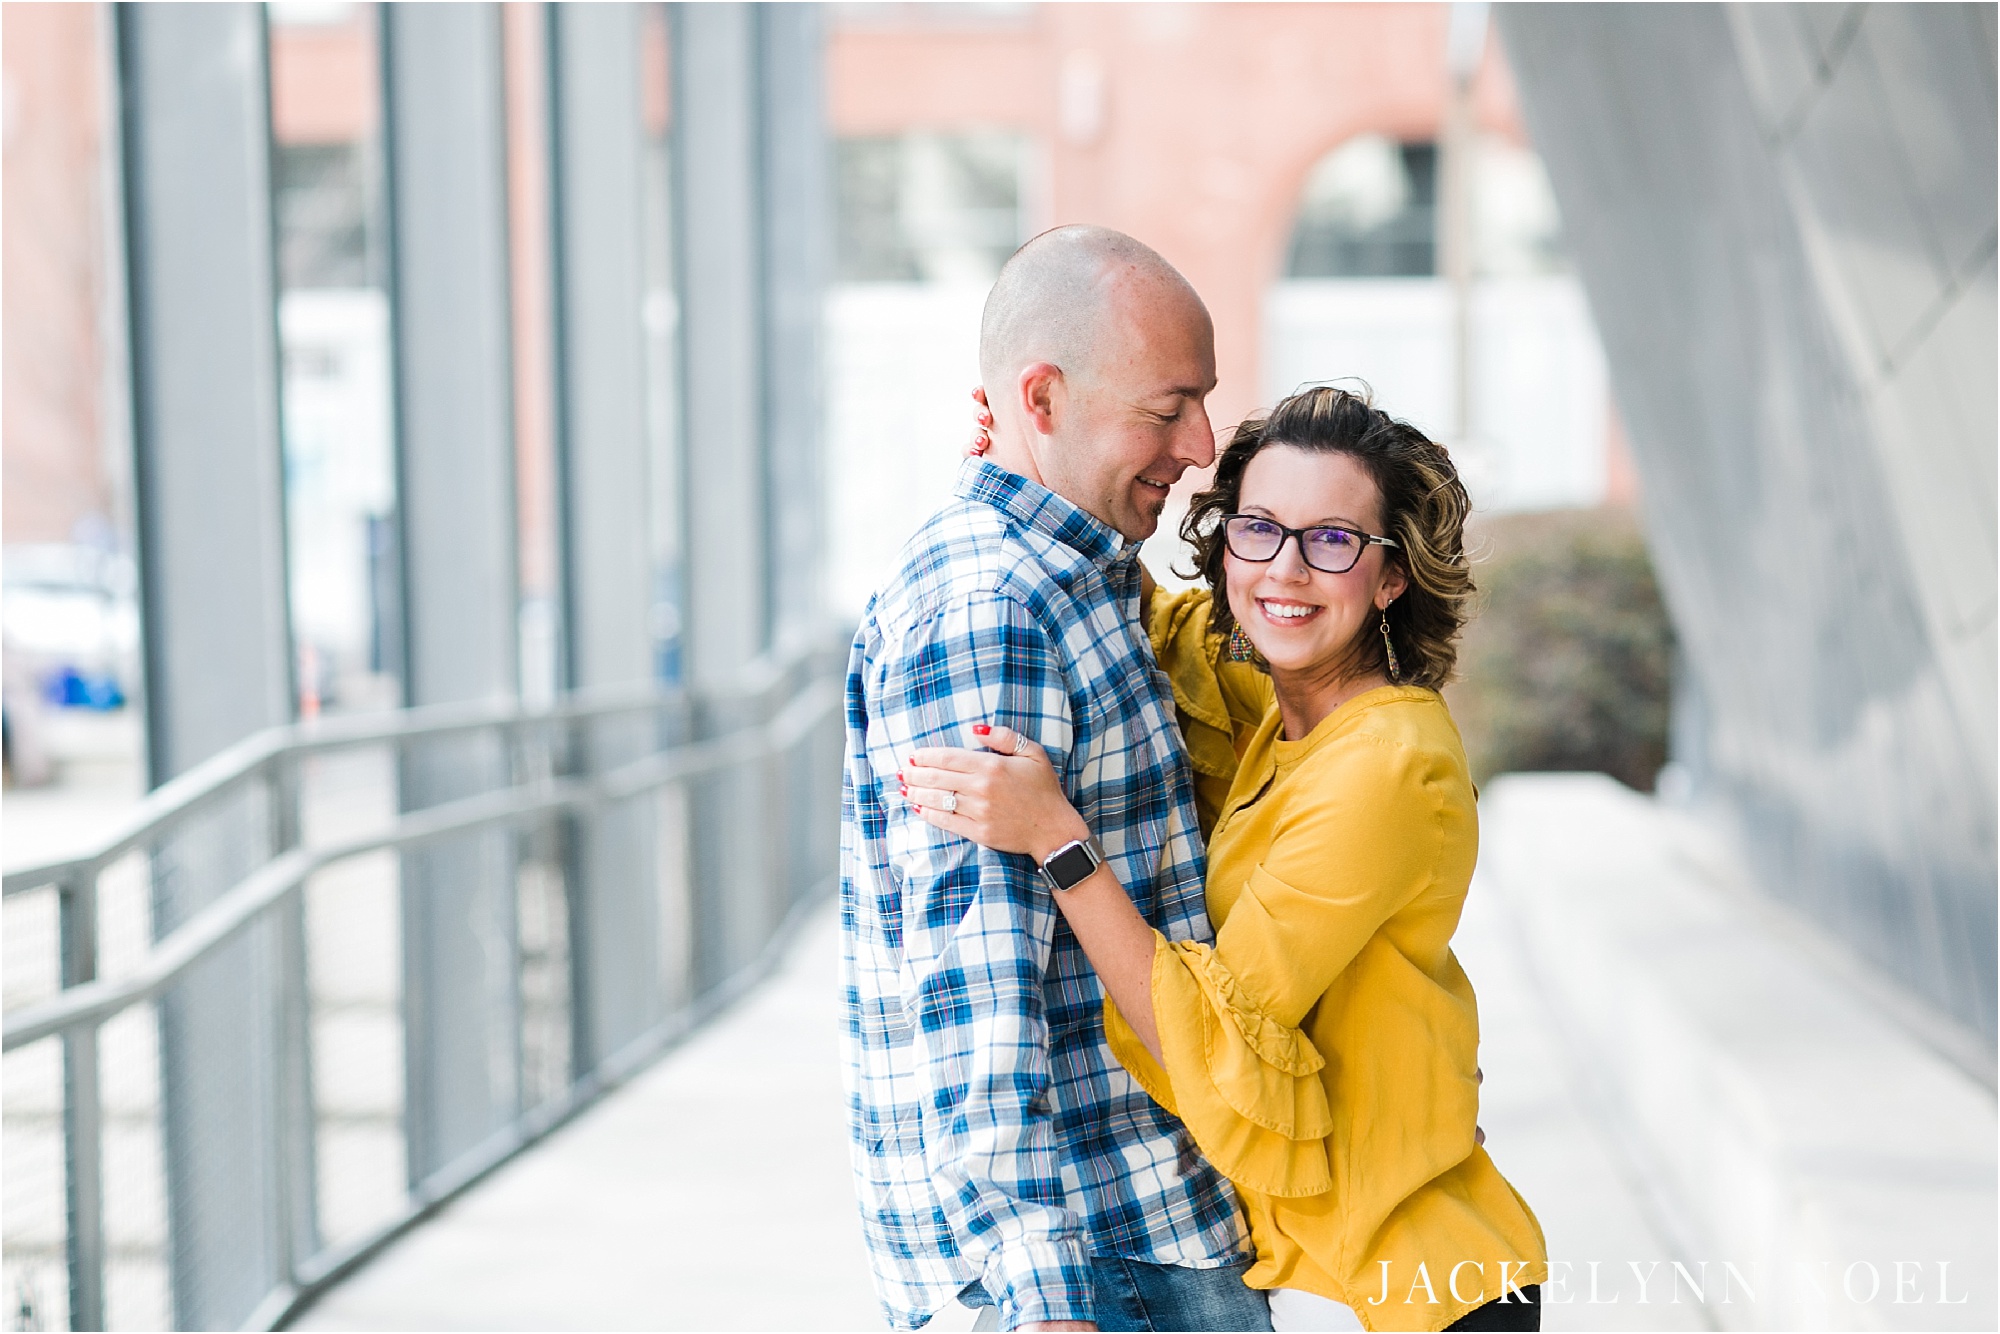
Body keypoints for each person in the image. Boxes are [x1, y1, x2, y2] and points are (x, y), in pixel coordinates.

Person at [902, 386, 1550, 1332]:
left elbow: (1203, 1032)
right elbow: (1129, 612)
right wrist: (1024, 470)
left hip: (1415, 1285)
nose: (1286, 570)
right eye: (1259, 529)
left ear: (1392, 577)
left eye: (1333, 541)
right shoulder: (1278, 695)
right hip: (1329, 1268)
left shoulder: (1389, 762)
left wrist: (1058, 843)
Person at [839, 226, 1273, 1333]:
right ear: (1041, 397)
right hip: (1097, 1260)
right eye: (1166, 406)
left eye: (1203, 401)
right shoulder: (992, 606)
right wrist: (1037, 1293)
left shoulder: (1077, 577)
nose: (1200, 440)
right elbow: (972, 973)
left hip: (1144, 1223)